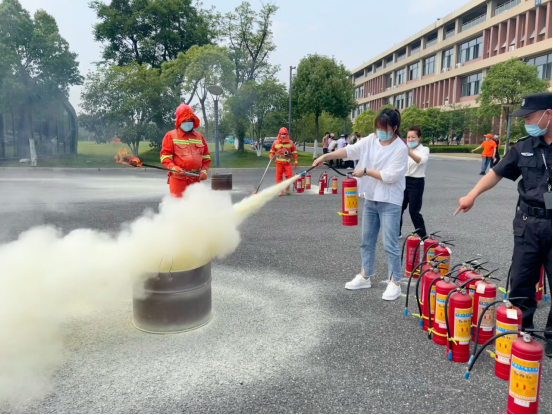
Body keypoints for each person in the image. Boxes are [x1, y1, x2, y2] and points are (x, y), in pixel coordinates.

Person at [456, 92, 552, 359]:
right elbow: (496, 173)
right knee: (521, 282)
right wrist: (472, 195)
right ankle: (521, 333)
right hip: (528, 224)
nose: (526, 123)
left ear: (549, 114)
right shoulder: (523, 147)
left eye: (530, 117)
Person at [313, 108, 408, 301]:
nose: (380, 132)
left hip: (390, 200)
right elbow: (350, 151)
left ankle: (395, 282)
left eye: (384, 129)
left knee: (390, 243)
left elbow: (390, 176)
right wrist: (325, 156)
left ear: (394, 128)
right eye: (378, 128)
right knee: (367, 240)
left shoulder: (400, 148)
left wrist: (365, 171)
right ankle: (365, 276)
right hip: (371, 197)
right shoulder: (371, 139)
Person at [160, 104, 210, 197]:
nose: (188, 123)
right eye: (185, 121)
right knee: (178, 204)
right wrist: (173, 168)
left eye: (190, 121)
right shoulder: (170, 136)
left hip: (195, 179)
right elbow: (165, 157)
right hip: (178, 179)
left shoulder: (199, 137)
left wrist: (204, 171)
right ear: (179, 121)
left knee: (195, 204)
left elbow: (206, 157)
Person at [400, 126, 430, 239]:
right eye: (408, 137)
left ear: (419, 138)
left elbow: (421, 161)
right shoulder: (404, 149)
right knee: (398, 208)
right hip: (403, 181)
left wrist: (408, 152)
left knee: (414, 211)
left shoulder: (424, 150)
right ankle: (396, 232)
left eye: (413, 137)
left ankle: (422, 235)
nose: (410, 139)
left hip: (416, 182)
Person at [270, 127, 298, 196]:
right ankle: (280, 190)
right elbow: (272, 151)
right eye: (282, 134)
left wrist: (295, 160)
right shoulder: (275, 142)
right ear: (279, 134)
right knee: (278, 177)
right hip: (279, 163)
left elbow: (294, 152)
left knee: (289, 176)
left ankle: (287, 189)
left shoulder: (290, 142)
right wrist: (271, 156)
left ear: (287, 134)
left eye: (285, 134)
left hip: (287, 162)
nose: (283, 135)